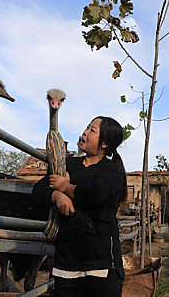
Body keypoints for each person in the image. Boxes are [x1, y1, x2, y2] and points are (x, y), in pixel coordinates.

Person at [32, 116, 127, 297]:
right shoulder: (68, 165)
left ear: (105, 143)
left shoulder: (112, 171)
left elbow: (96, 194)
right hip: (66, 263)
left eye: (92, 130)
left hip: (101, 265)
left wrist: (65, 187)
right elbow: (38, 191)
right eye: (86, 128)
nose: (85, 132)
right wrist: (56, 196)